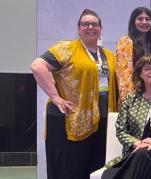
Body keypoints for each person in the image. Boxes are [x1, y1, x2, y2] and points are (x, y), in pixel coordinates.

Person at [30, 9, 117, 179]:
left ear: (100, 28)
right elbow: (37, 66)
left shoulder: (108, 55)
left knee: (95, 166)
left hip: (101, 119)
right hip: (68, 117)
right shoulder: (66, 48)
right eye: (85, 24)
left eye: (95, 24)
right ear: (78, 29)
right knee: (69, 168)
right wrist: (55, 97)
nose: (90, 27)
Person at [102, 54, 151, 179]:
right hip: (134, 151)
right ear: (140, 74)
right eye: (147, 68)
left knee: (113, 173)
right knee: (141, 154)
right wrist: (137, 143)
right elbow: (121, 130)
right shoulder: (129, 99)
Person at [115, 7, 151, 102]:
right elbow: (124, 76)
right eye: (140, 19)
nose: (144, 22)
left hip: (149, 97)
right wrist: (129, 101)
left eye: (147, 19)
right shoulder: (126, 41)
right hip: (132, 99)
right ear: (133, 22)